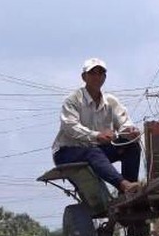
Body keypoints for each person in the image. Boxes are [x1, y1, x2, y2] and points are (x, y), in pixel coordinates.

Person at [52, 57, 142, 194]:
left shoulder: (110, 101)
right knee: (93, 151)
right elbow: (71, 127)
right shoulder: (73, 100)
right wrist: (97, 136)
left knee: (131, 144)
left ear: (105, 77)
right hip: (67, 151)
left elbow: (124, 121)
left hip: (96, 149)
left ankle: (129, 195)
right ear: (84, 77)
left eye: (101, 73)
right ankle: (124, 185)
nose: (97, 77)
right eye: (92, 73)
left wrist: (129, 130)